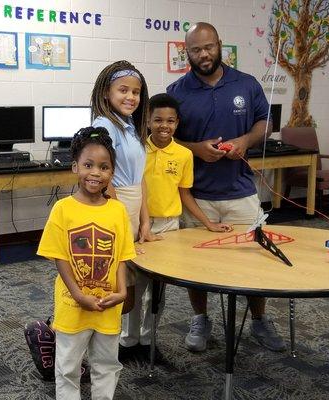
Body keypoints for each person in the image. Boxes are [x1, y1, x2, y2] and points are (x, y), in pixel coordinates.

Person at [167, 22, 286, 353]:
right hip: (197, 197)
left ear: (220, 45)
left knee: (255, 261)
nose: (203, 55)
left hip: (241, 193)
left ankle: (259, 320)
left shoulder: (246, 84)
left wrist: (245, 141)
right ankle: (201, 319)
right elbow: (165, 137)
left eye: (208, 47)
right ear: (186, 52)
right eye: (195, 50)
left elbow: (266, 121)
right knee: (196, 265)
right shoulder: (177, 91)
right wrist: (196, 149)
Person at [127, 93, 234, 361]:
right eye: (158, 120)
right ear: (148, 121)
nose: (165, 125)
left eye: (171, 121)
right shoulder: (138, 149)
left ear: (177, 123)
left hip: (169, 228)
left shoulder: (184, 155)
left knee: (158, 291)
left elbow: (185, 194)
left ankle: (149, 339)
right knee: (135, 287)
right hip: (139, 226)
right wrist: (140, 225)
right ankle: (128, 342)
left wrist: (208, 223)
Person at [37, 127, 136, 400]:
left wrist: (123, 291)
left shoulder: (117, 210)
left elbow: (122, 255)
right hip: (73, 304)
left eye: (104, 167)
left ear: (111, 173)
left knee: (106, 363)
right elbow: (60, 257)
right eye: (88, 165)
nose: (96, 172)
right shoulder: (63, 209)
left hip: (107, 304)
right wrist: (79, 295)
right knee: (68, 365)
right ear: (75, 167)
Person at [90, 60, 160, 361]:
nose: (131, 97)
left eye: (136, 92)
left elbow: (139, 179)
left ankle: (87, 348)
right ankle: (60, 336)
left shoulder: (130, 127)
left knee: (125, 297)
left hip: (131, 214)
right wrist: (121, 225)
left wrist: (144, 224)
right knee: (112, 293)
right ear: (107, 93)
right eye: (123, 90)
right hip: (112, 214)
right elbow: (104, 180)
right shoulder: (104, 125)